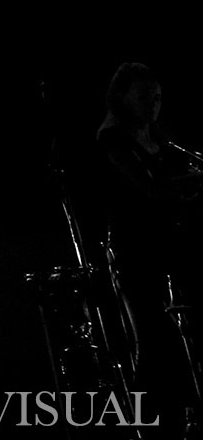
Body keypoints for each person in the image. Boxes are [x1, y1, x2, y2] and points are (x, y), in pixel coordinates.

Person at [93, 62, 202, 433]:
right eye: (143, 97)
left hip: (168, 243)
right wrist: (190, 184)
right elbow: (150, 190)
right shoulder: (113, 140)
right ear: (120, 97)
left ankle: (181, 414)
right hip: (133, 250)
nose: (152, 105)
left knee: (179, 333)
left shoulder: (158, 133)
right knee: (153, 339)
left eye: (157, 98)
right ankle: (145, 425)